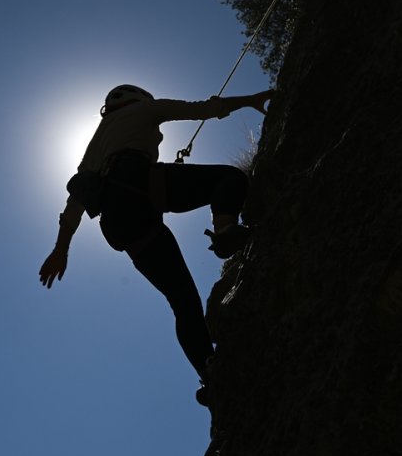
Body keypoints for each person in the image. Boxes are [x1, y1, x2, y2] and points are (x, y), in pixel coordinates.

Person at [38, 84, 272, 406]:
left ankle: (210, 372)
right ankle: (226, 229)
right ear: (139, 97)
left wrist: (60, 250)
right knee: (229, 179)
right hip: (146, 188)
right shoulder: (145, 109)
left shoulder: (95, 143)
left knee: (182, 300)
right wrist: (250, 100)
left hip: (122, 225)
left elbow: (75, 203)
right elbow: (203, 109)